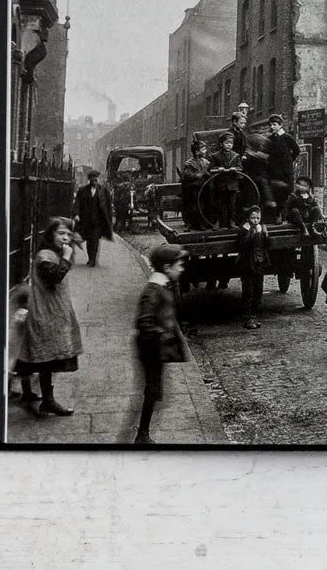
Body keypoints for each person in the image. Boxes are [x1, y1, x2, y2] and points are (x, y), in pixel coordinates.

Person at [13, 217, 83, 417]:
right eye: (61, 233)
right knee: (43, 358)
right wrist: (67, 256)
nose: (65, 238)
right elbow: (55, 276)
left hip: (53, 313)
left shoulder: (53, 253)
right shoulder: (45, 255)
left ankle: (39, 398)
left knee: (45, 359)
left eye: (69, 234)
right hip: (44, 315)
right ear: (51, 234)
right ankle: (46, 400)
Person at [134, 243, 188, 445]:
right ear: (167, 267)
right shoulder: (153, 290)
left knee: (154, 390)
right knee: (152, 390)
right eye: (179, 265)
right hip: (151, 349)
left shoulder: (164, 284)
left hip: (155, 347)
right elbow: (143, 322)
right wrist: (162, 336)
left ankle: (143, 432)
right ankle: (142, 435)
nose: (181, 269)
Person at [235, 206, 270, 329]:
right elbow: (242, 245)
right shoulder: (243, 229)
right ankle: (247, 318)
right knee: (248, 291)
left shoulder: (260, 229)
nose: (255, 220)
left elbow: (267, 245)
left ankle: (254, 315)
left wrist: (265, 234)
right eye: (253, 218)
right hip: (247, 264)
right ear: (248, 218)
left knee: (258, 291)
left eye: (258, 218)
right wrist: (251, 234)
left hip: (259, 263)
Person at [72, 170, 114, 267]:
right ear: (89, 179)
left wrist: (110, 218)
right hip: (85, 220)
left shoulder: (103, 190)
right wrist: (76, 215)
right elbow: (77, 204)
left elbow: (108, 205)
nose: (95, 179)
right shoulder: (82, 190)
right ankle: (90, 257)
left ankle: (93, 260)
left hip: (98, 220)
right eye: (93, 178)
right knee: (89, 239)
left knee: (95, 239)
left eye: (96, 177)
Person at [265, 114, 300, 216]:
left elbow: (296, 150)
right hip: (274, 171)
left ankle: (284, 214)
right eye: (271, 125)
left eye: (274, 124)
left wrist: (289, 160)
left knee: (286, 192)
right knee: (276, 192)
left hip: (286, 171)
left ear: (280, 125)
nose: (272, 127)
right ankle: (276, 215)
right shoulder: (270, 138)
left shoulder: (287, 137)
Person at [209, 131, 243, 228]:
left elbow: (240, 168)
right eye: (227, 143)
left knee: (232, 205)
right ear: (221, 144)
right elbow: (210, 169)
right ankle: (218, 222)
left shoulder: (235, 156)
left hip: (232, 185)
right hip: (220, 184)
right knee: (219, 204)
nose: (229, 145)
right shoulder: (215, 156)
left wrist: (235, 169)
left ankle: (231, 222)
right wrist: (218, 169)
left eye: (231, 143)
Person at [283, 176, 327, 242]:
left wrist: (321, 215)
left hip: (307, 217)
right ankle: (304, 229)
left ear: (308, 187)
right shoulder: (293, 196)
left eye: (304, 185)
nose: (302, 187)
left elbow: (316, 205)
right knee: (295, 211)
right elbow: (286, 207)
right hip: (296, 218)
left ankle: (312, 227)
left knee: (316, 209)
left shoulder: (311, 197)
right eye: (300, 185)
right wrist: (284, 219)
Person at [181, 139, 211, 230]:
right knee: (192, 206)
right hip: (192, 188)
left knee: (202, 206)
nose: (205, 151)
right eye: (203, 150)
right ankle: (189, 224)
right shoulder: (189, 163)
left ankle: (201, 223)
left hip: (203, 187)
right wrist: (197, 175)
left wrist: (208, 175)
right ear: (197, 152)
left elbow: (209, 172)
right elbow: (187, 174)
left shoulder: (206, 162)